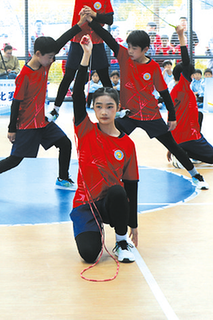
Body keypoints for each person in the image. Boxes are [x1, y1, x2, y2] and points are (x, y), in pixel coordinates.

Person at [88, 18, 208, 189]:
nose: (130, 51)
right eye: (129, 47)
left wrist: (172, 117)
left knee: (173, 146)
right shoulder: (123, 55)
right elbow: (107, 37)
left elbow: (164, 93)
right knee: (107, 139)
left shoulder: (153, 67)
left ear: (145, 49)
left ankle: (196, 176)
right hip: (128, 115)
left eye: (134, 49)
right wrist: (91, 21)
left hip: (150, 115)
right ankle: (101, 175)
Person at [0, 20, 84, 196]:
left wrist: (80, 25)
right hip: (27, 125)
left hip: (42, 122)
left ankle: (62, 178)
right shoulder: (24, 75)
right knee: (14, 160)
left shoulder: (45, 64)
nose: (52, 60)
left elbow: (60, 42)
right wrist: (11, 129)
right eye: (49, 57)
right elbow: (15, 103)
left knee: (65, 143)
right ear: (38, 54)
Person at [70, 35, 139, 264]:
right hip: (85, 202)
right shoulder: (85, 130)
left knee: (119, 191)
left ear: (118, 108)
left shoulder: (127, 144)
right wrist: (86, 56)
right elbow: (77, 94)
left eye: (109, 106)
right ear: (93, 108)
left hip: (110, 202)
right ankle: (93, 228)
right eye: (98, 106)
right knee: (89, 256)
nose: (104, 111)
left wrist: (133, 225)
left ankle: (121, 242)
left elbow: (131, 186)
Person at [48, 0, 114, 122]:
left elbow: (109, 19)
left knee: (105, 78)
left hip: (97, 43)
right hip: (78, 42)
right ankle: (55, 109)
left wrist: (94, 14)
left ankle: (118, 108)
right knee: (69, 76)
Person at [166, 32, 213, 170]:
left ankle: (181, 151)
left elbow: (169, 120)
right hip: (188, 136)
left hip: (179, 136)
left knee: (199, 115)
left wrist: (171, 146)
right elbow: (186, 61)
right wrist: (181, 36)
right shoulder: (182, 87)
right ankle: (182, 154)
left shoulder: (173, 92)